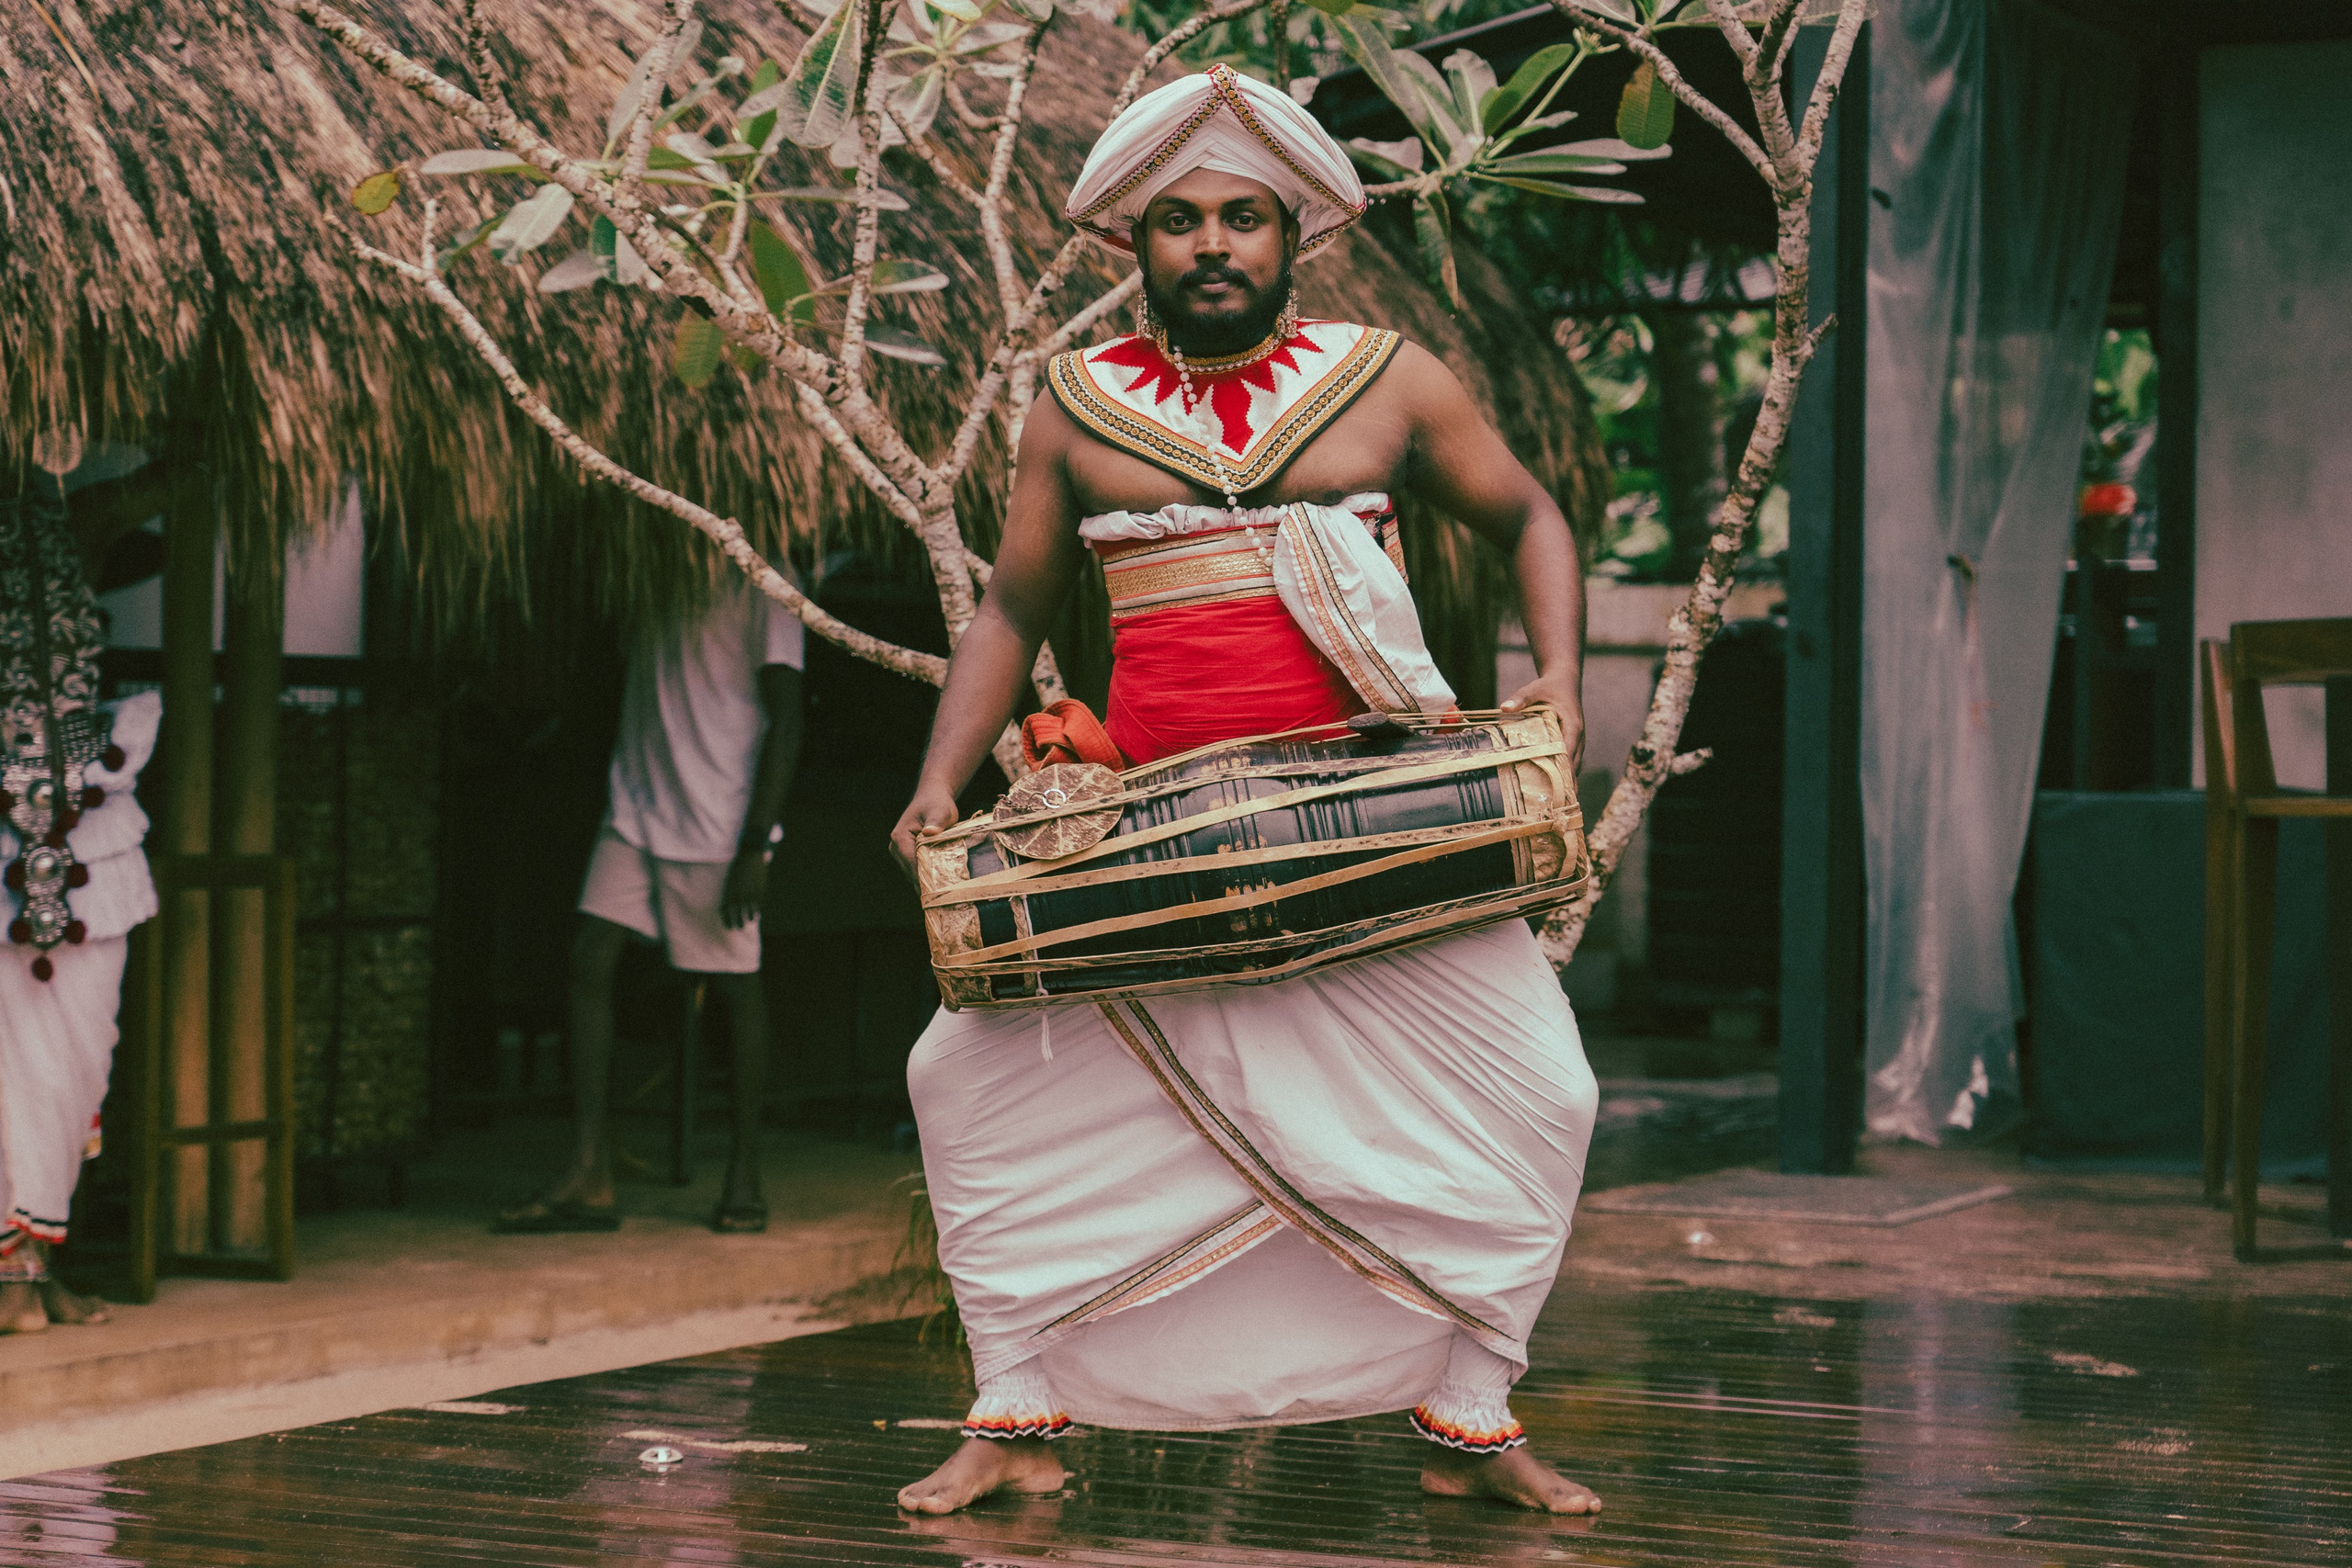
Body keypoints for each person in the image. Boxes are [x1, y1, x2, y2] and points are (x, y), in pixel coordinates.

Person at [887, 66, 1600, 1516]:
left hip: (1379, 831)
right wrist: (937, 778)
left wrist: (1565, 684)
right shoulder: (1072, 410)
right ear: (1129, 246)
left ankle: (1473, 1405)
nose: (1213, 244)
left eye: (1244, 218)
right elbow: (1014, 610)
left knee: (1551, 1093)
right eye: (1181, 221)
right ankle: (1015, 1407)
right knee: (955, 1081)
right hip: (1157, 838)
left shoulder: (1388, 377)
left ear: (1296, 238)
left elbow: (1531, 514)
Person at [498, 558, 804, 1235]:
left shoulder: (764, 580)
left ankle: (744, 1176)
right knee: (590, 956)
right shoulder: (646, 564)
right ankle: (589, 1169)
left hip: (718, 821)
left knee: (734, 983)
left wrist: (756, 842)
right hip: (635, 802)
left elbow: (788, 719)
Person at [1, 470, 160, 1333]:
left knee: (75, 1069)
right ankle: (14, 1280)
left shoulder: (71, 518)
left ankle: (36, 1267)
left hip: (90, 841)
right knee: (10, 1076)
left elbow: (153, 494)